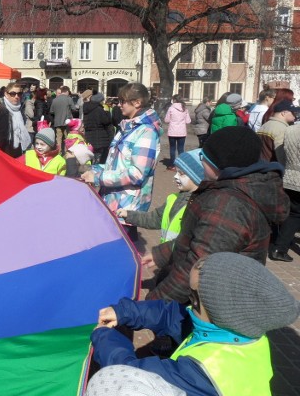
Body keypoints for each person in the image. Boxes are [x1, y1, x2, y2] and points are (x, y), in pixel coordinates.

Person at [91, 252, 299, 396]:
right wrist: (125, 311)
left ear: (221, 312)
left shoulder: (203, 373)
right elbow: (171, 316)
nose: (188, 304)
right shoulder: (241, 331)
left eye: (194, 299)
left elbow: (128, 375)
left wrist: (104, 336)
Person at [144, 126, 289, 303]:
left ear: (218, 165)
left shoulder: (228, 206)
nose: (201, 161)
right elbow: (202, 240)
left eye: (204, 157)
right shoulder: (233, 189)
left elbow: (198, 266)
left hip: (210, 303)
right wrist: (163, 253)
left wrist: (151, 304)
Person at [81, 83, 162, 241]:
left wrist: (98, 177)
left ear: (137, 102)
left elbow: (137, 174)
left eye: (122, 101)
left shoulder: (146, 132)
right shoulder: (128, 127)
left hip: (126, 207)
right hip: (113, 201)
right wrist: (93, 170)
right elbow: (116, 165)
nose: (119, 105)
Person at [118, 149, 203, 245]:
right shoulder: (173, 199)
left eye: (181, 174)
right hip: (167, 256)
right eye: (176, 172)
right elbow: (154, 218)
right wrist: (128, 215)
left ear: (197, 178)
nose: (175, 176)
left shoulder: (200, 206)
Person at [270, 122, 300, 262]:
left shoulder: (290, 130)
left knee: (293, 214)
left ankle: (279, 249)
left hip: (290, 176)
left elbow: (281, 151)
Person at [83, 92, 113, 164]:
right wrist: (107, 113)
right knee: (99, 159)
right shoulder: (99, 109)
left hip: (89, 136)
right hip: (100, 137)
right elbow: (106, 121)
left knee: (91, 157)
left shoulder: (86, 109)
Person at [2, 82, 31, 158]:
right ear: (6, 94)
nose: (16, 96)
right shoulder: (1, 109)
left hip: (19, 149)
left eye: (19, 94)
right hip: (5, 150)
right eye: (13, 94)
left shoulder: (19, 108)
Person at [165, 95, 191, 170]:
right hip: (182, 132)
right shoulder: (185, 109)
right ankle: (181, 166)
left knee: (172, 148)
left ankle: (172, 165)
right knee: (181, 149)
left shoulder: (171, 108)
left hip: (172, 132)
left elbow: (166, 120)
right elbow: (188, 121)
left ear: (174, 100)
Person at [49, 85, 76, 151]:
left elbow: (51, 111)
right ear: (66, 91)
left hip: (57, 122)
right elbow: (74, 109)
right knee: (67, 138)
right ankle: (67, 152)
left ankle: (58, 152)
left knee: (58, 138)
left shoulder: (55, 100)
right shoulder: (69, 99)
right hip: (67, 122)